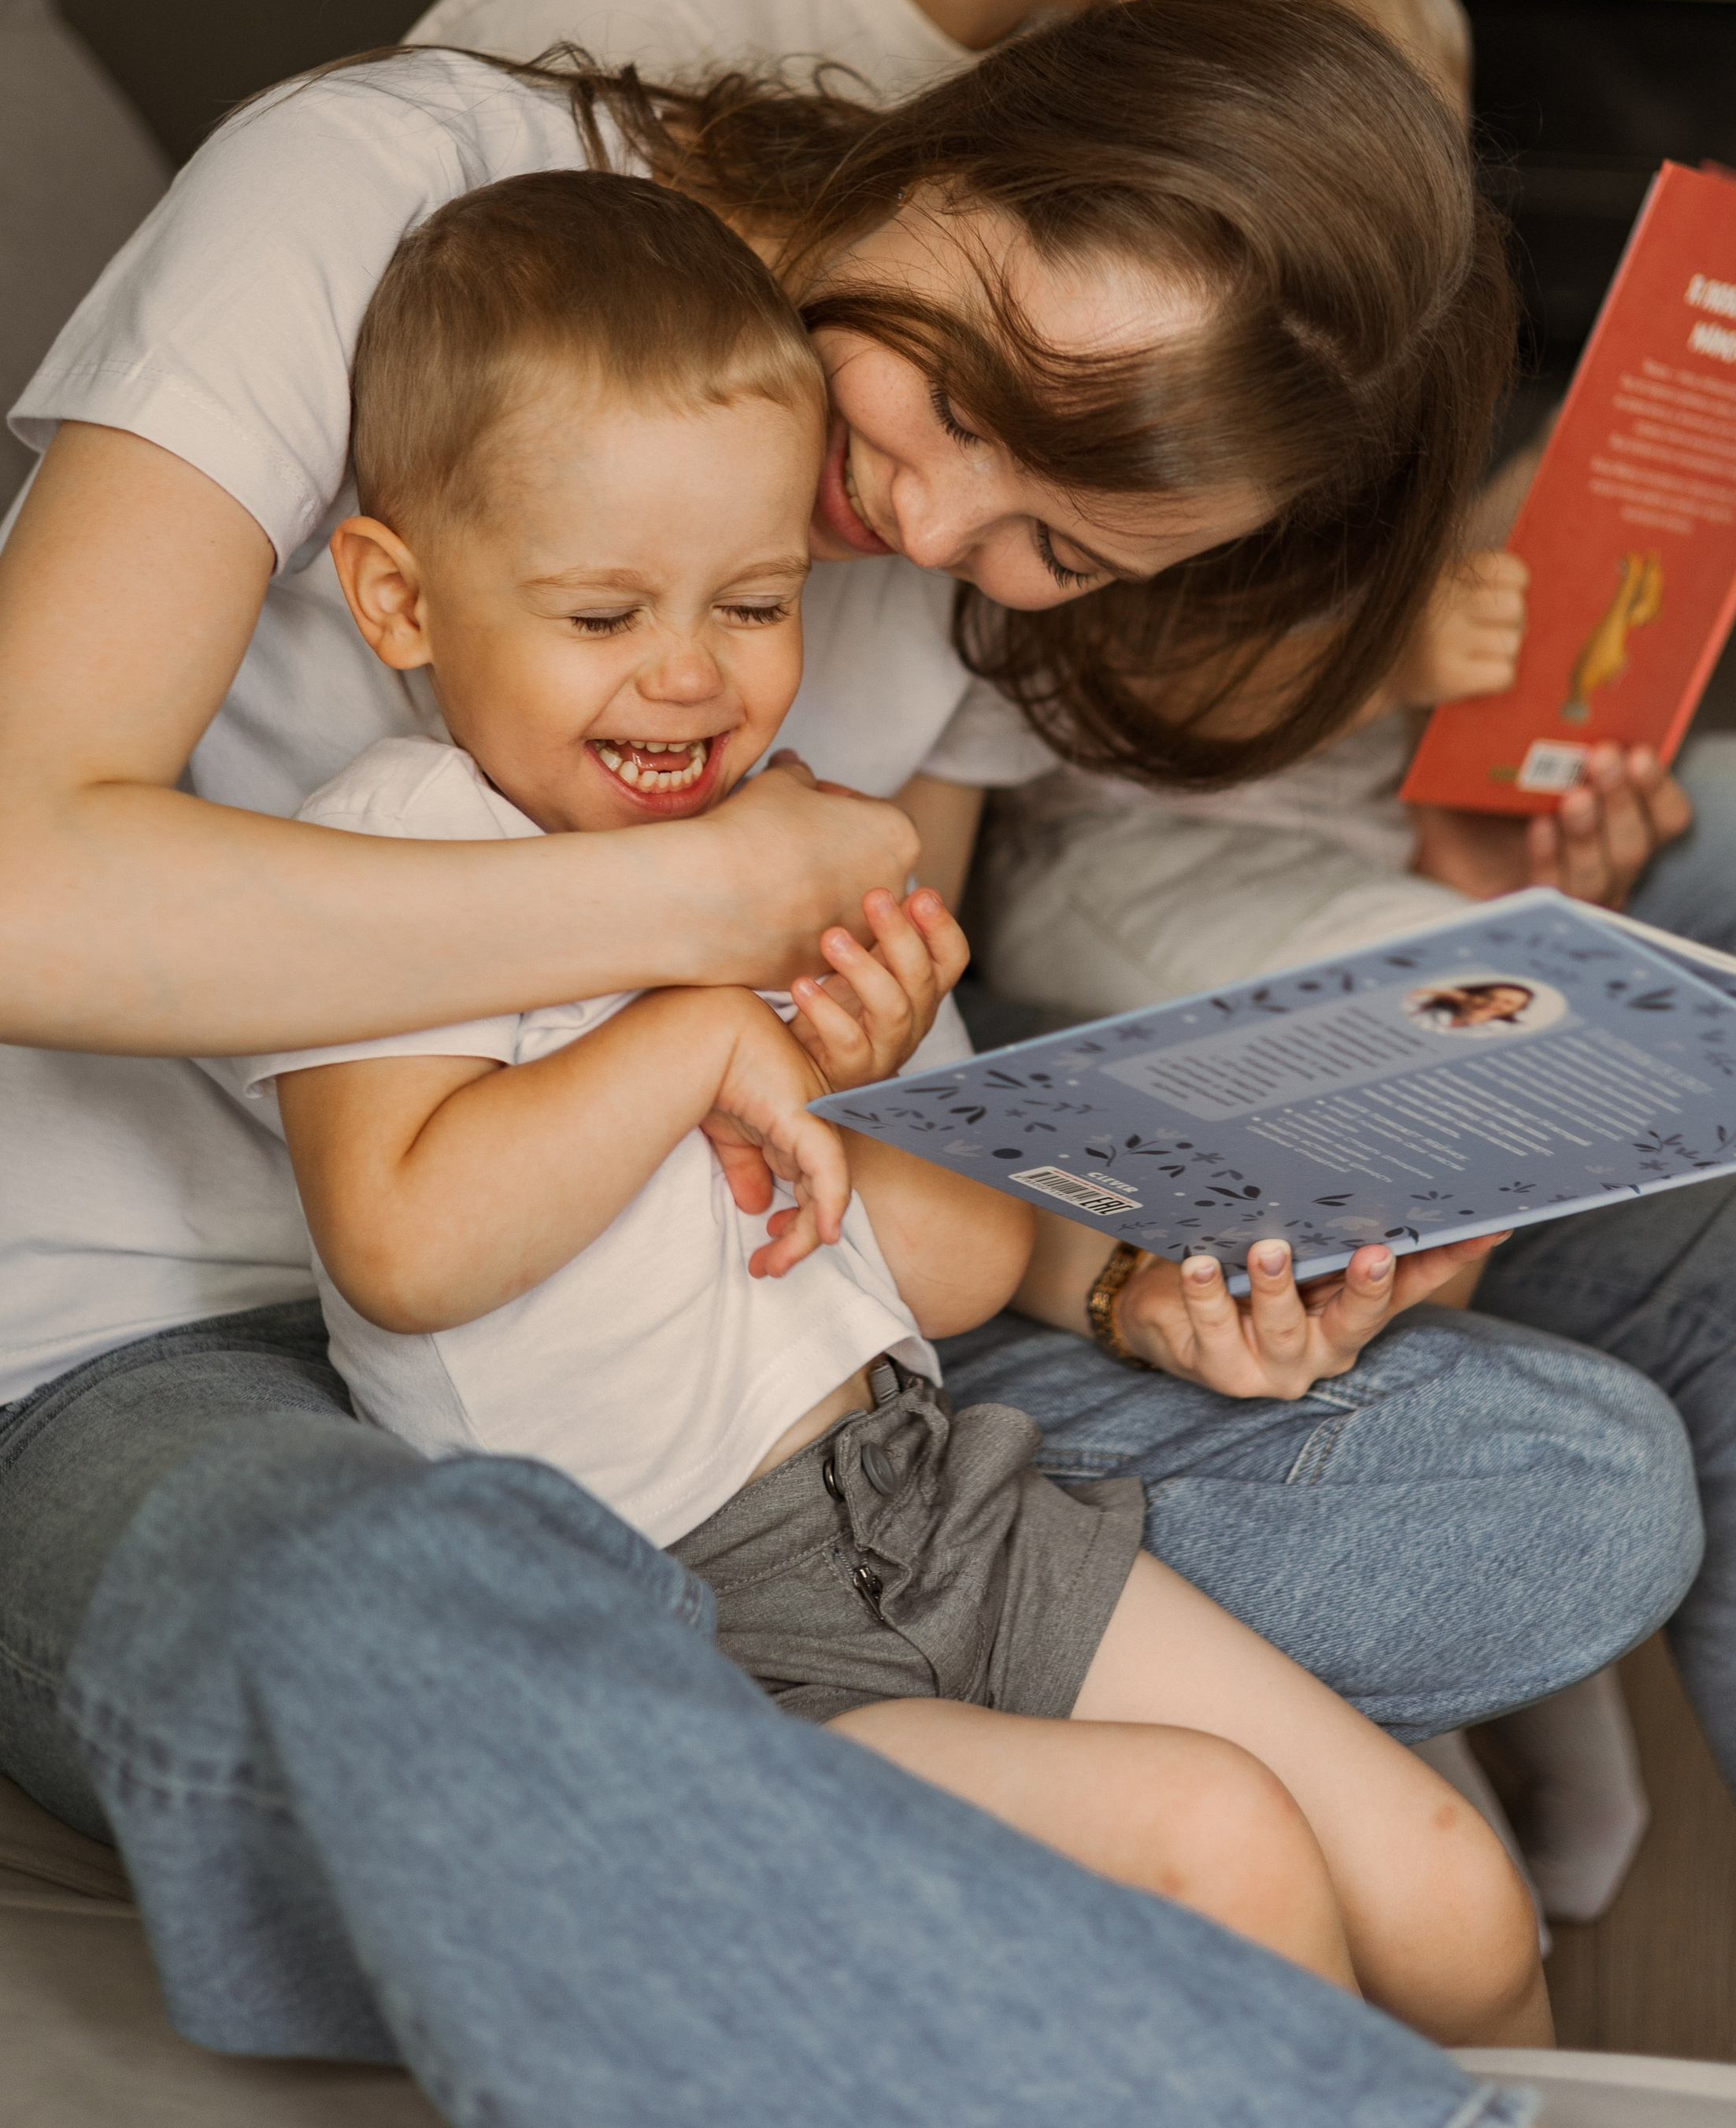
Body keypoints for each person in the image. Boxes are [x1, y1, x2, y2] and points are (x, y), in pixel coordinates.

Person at [414, 0, 1736, 2045]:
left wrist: (1411, 801)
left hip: (964, 980)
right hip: (739, 1089)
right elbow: (536, 832)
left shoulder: (1162, 52)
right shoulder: (596, 93)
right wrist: (1064, 1205)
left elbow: (988, 794)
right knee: (1726, 1325)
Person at [0, 0, 1663, 2117]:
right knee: (426, 1608)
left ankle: (727, 1818)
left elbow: (890, 1220)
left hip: (829, 1441)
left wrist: (1150, 1282)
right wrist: (707, 942)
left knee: (1570, 1476)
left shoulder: (859, 617)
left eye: (1061, 548)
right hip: (178, 1370)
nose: (936, 517)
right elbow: (36, 884)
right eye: (975, 396)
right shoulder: (375, 210)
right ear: (969, 143)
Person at [246, 163, 1549, 2041]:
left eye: (756, 601)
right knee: (1220, 1840)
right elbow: (402, 1243)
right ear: (400, 597)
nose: (691, 678)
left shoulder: (772, 847)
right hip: (668, 1610)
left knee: (1451, 1897)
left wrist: (855, 1093)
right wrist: (696, 1040)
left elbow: (941, 1274)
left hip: (925, 1502)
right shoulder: (397, 847)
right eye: (606, 613)